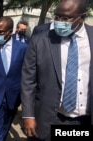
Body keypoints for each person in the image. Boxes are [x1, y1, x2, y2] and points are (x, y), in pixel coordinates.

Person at [21, 0, 93, 141]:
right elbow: (28, 80)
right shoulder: (41, 40)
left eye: (66, 18)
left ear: (82, 17)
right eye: (57, 17)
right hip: (53, 117)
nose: (60, 22)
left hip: (86, 119)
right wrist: (28, 115)